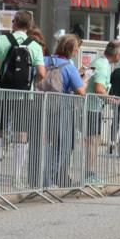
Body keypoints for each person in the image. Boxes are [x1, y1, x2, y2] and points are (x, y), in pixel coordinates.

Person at [0, 11, 47, 188]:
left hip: (3, 94)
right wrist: (33, 83)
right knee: (21, 135)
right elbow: (41, 73)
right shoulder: (34, 45)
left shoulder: (1, 41)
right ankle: (17, 177)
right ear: (30, 25)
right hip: (25, 96)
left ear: (14, 23)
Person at [41, 34, 86, 187]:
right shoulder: (69, 66)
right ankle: (52, 177)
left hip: (41, 106)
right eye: (76, 49)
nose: (77, 52)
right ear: (71, 50)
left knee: (44, 144)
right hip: (61, 108)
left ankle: (40, 177)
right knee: (64, 144)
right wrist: (84, 80)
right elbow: (80, 91)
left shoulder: (45, 60)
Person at [84, 40, 120, 184]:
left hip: (93, 107)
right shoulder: (102, 65)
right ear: (118, 54)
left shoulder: (100, 62)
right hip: (91, 108)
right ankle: (89, 174)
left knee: (94, 141)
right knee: (92, 142)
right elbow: (99, 89)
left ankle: (90, 173)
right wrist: (113, 100)